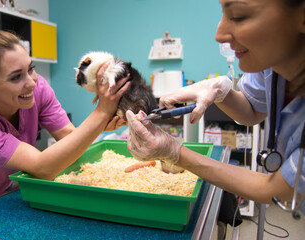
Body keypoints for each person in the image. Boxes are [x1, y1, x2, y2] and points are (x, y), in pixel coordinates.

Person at [126, 0, 305, 216]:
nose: (219, 35)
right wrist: (220, 92)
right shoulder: (271, 63)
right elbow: (252, 110)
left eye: (238, 15)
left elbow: (277, 189)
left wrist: (175, 152)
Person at [0, 30, 129, 216]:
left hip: (1, 195)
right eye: (16, 77)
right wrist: (101, 112)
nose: (32, 82)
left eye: (31, 68)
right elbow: (42, 167)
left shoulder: (37, 88)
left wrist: (99, 123)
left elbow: (68, 136)